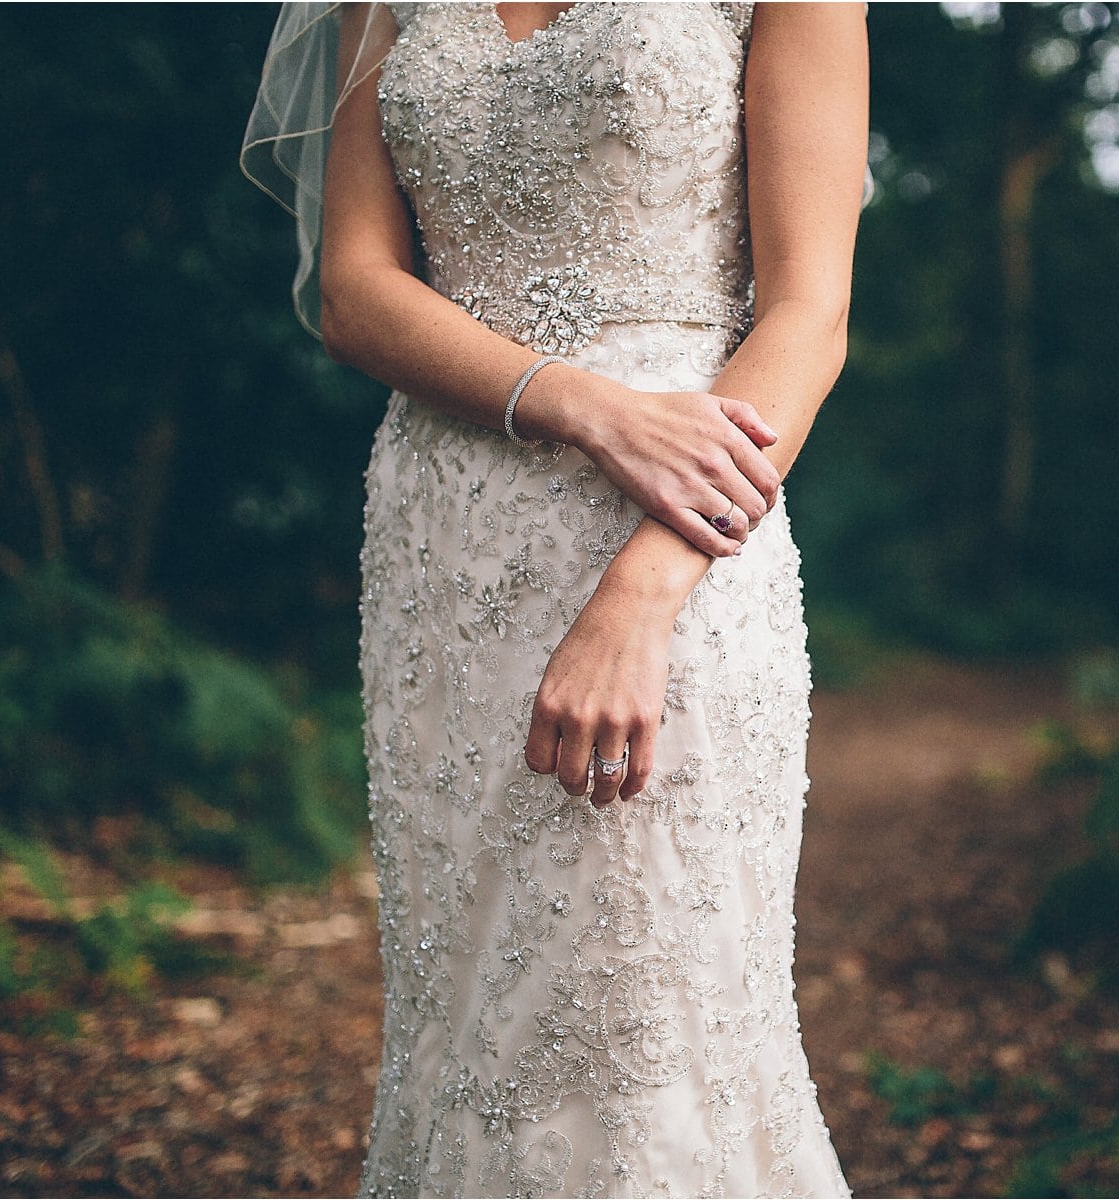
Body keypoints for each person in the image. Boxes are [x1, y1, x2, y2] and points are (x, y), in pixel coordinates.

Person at [241, 3, 866, 1195]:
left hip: (685, 532)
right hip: (447, 548)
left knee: (642, 1005)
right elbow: (355, 290)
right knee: (469, 1000)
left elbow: (809, 313)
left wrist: (643, 594)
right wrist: (579, 402)